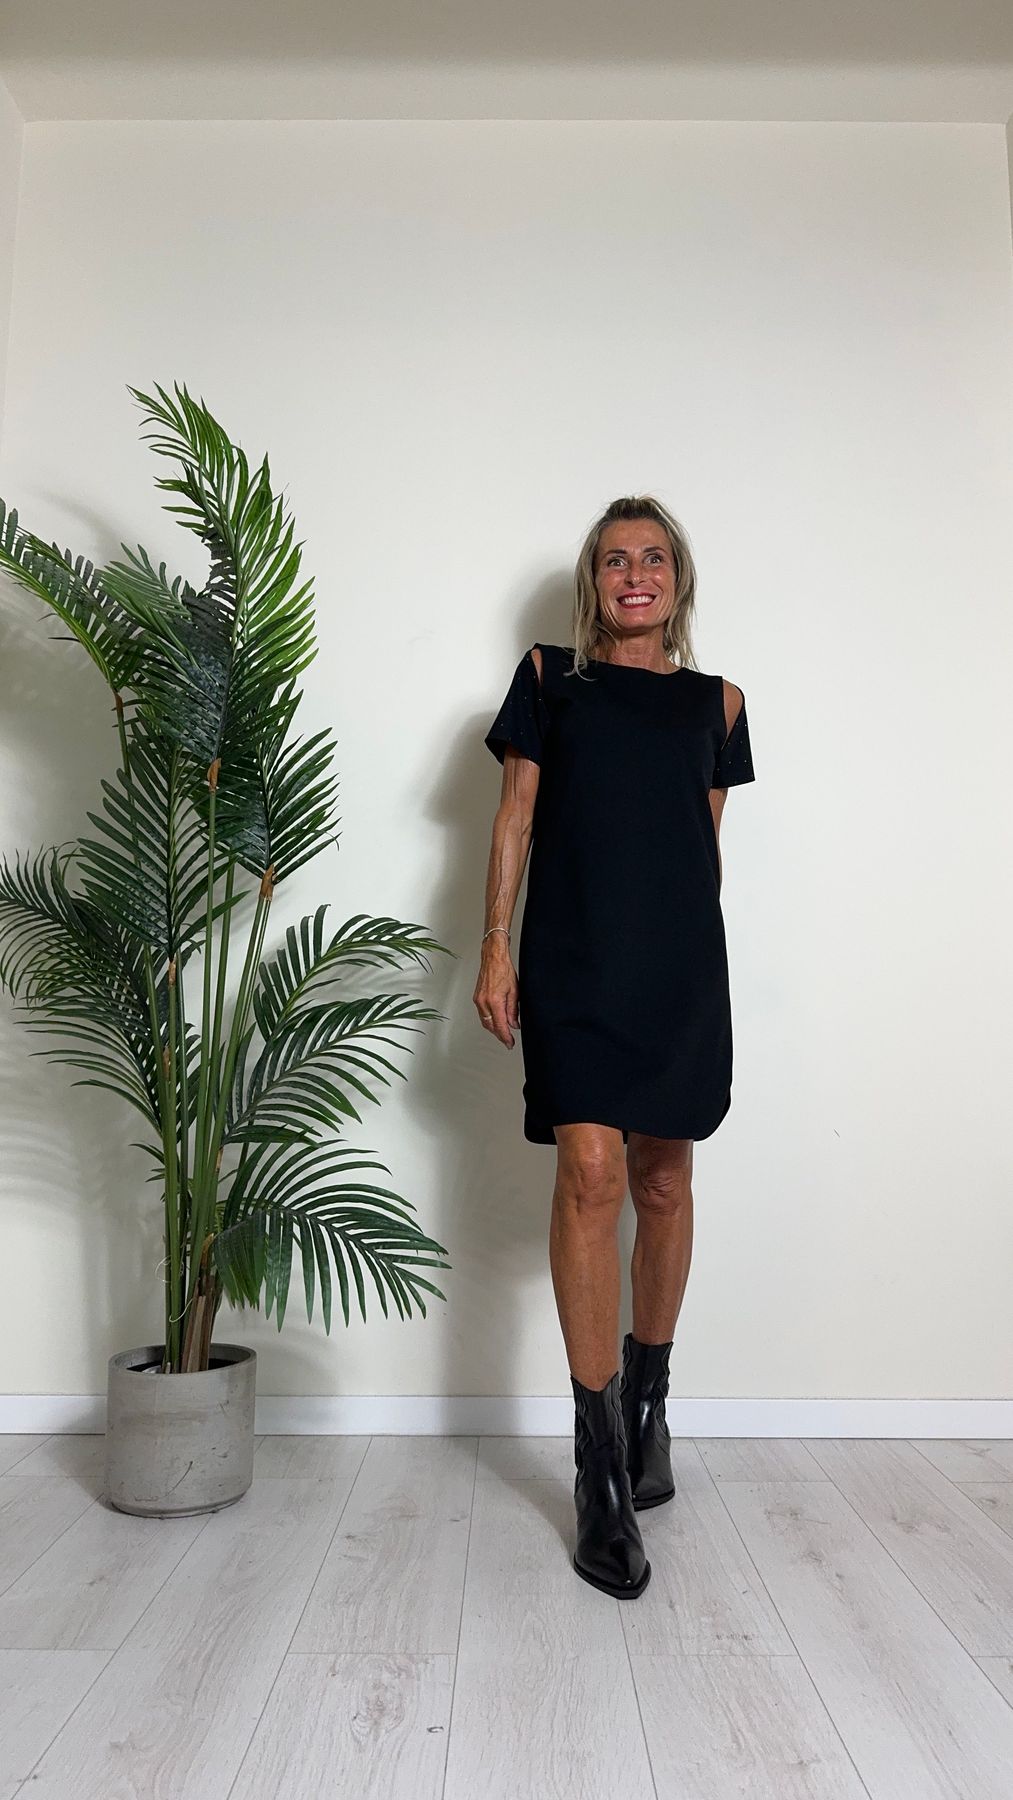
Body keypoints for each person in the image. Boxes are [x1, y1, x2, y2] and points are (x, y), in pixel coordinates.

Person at [475, 494, 755, 1600]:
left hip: (677, 972)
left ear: (677, 580)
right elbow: (514, 818)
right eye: (612, 560)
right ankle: (597, 1471)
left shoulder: (718, 704)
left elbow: (701, 849)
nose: (633, 575)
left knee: (663, 1181)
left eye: (652, 559)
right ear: (592, 583)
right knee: (589, 1172)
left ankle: (648, 1414)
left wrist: (687, 965)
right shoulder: (550, 681)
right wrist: (494, 946)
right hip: (572, 962)